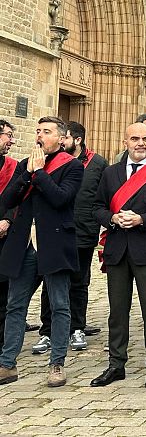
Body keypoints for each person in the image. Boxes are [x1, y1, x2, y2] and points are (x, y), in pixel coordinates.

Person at [90, 122, 146, 389]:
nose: (140, 143)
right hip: (117, 250)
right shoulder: (111, 173)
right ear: (125, 141)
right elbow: (96, 207)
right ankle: (116, 365)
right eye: (135, 138)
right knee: (117, 313)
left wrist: (142, 219)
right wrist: (112, 218)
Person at [0, 117, 82, 387]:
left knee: (59, 305)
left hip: (54, 244)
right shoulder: (26, 164)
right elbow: (7, 200)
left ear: (61, 138)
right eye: (37, 131)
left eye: (46, 132)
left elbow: (60, 198)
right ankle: (7, 363)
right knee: (15, 305)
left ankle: (57, 363)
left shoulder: (72, 166)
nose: (40, 136)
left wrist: (39, 173)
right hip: (24, 244)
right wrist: (27, 173)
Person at [30, 121, 108, 356]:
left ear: (77, 140)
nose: (61, 142)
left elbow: (101, 196)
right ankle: (47, 329)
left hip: (83, 230)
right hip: (53, 232)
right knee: (49, 282)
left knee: (79, 281)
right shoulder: (51, 161)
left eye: (64, 138)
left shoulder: (97, 163)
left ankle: (77, 326)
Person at [0, 120, 17, 351]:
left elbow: (19, 198)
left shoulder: (13, 167)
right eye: (8, 136)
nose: (11, 141)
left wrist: (7, 220)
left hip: (4, 235)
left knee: (3, 291)